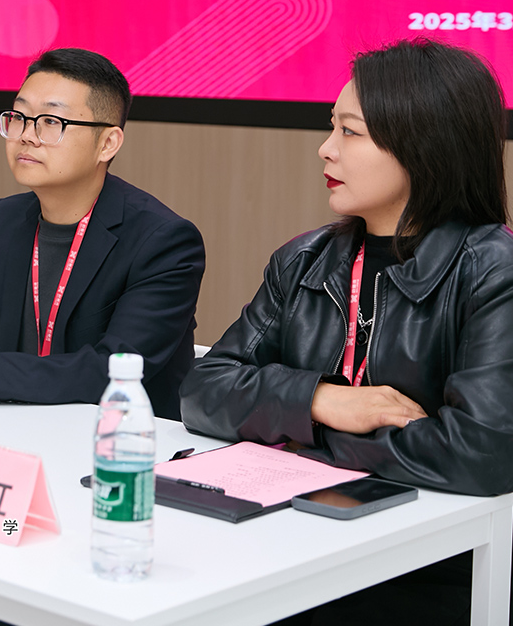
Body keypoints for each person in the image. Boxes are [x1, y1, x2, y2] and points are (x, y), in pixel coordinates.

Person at [181, 38, 513, 626]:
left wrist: (296, 434)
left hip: (426, 568)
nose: (325, 148)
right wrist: (322, 402)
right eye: (330, 126)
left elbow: (479, 454)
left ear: (423, 144)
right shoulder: (305, 260)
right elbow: (203, 390)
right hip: (292, 541)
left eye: (350, 132)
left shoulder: (492, 271)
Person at [0, 47, 205, 626]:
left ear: (108, 143)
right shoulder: (5, 219)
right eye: (19, 116)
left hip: (111, 473)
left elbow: (111, 369)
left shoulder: (163, 240)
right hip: (13, 447)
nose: (27, 134)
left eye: (52, 121)